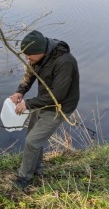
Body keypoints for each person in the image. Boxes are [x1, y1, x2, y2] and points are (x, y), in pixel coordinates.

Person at [10, 30, 80, 190]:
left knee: (32, 141)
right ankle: (36, 167)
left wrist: (28, 104)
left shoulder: (65, 62)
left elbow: (58, 95)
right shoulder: (39, 56)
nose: (28, 59)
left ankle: (24, 177)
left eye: (30, 56)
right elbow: (30, 74)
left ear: (41, 52)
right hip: (42, 102)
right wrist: (20, 90)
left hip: (59, 106)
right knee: (33, 137)